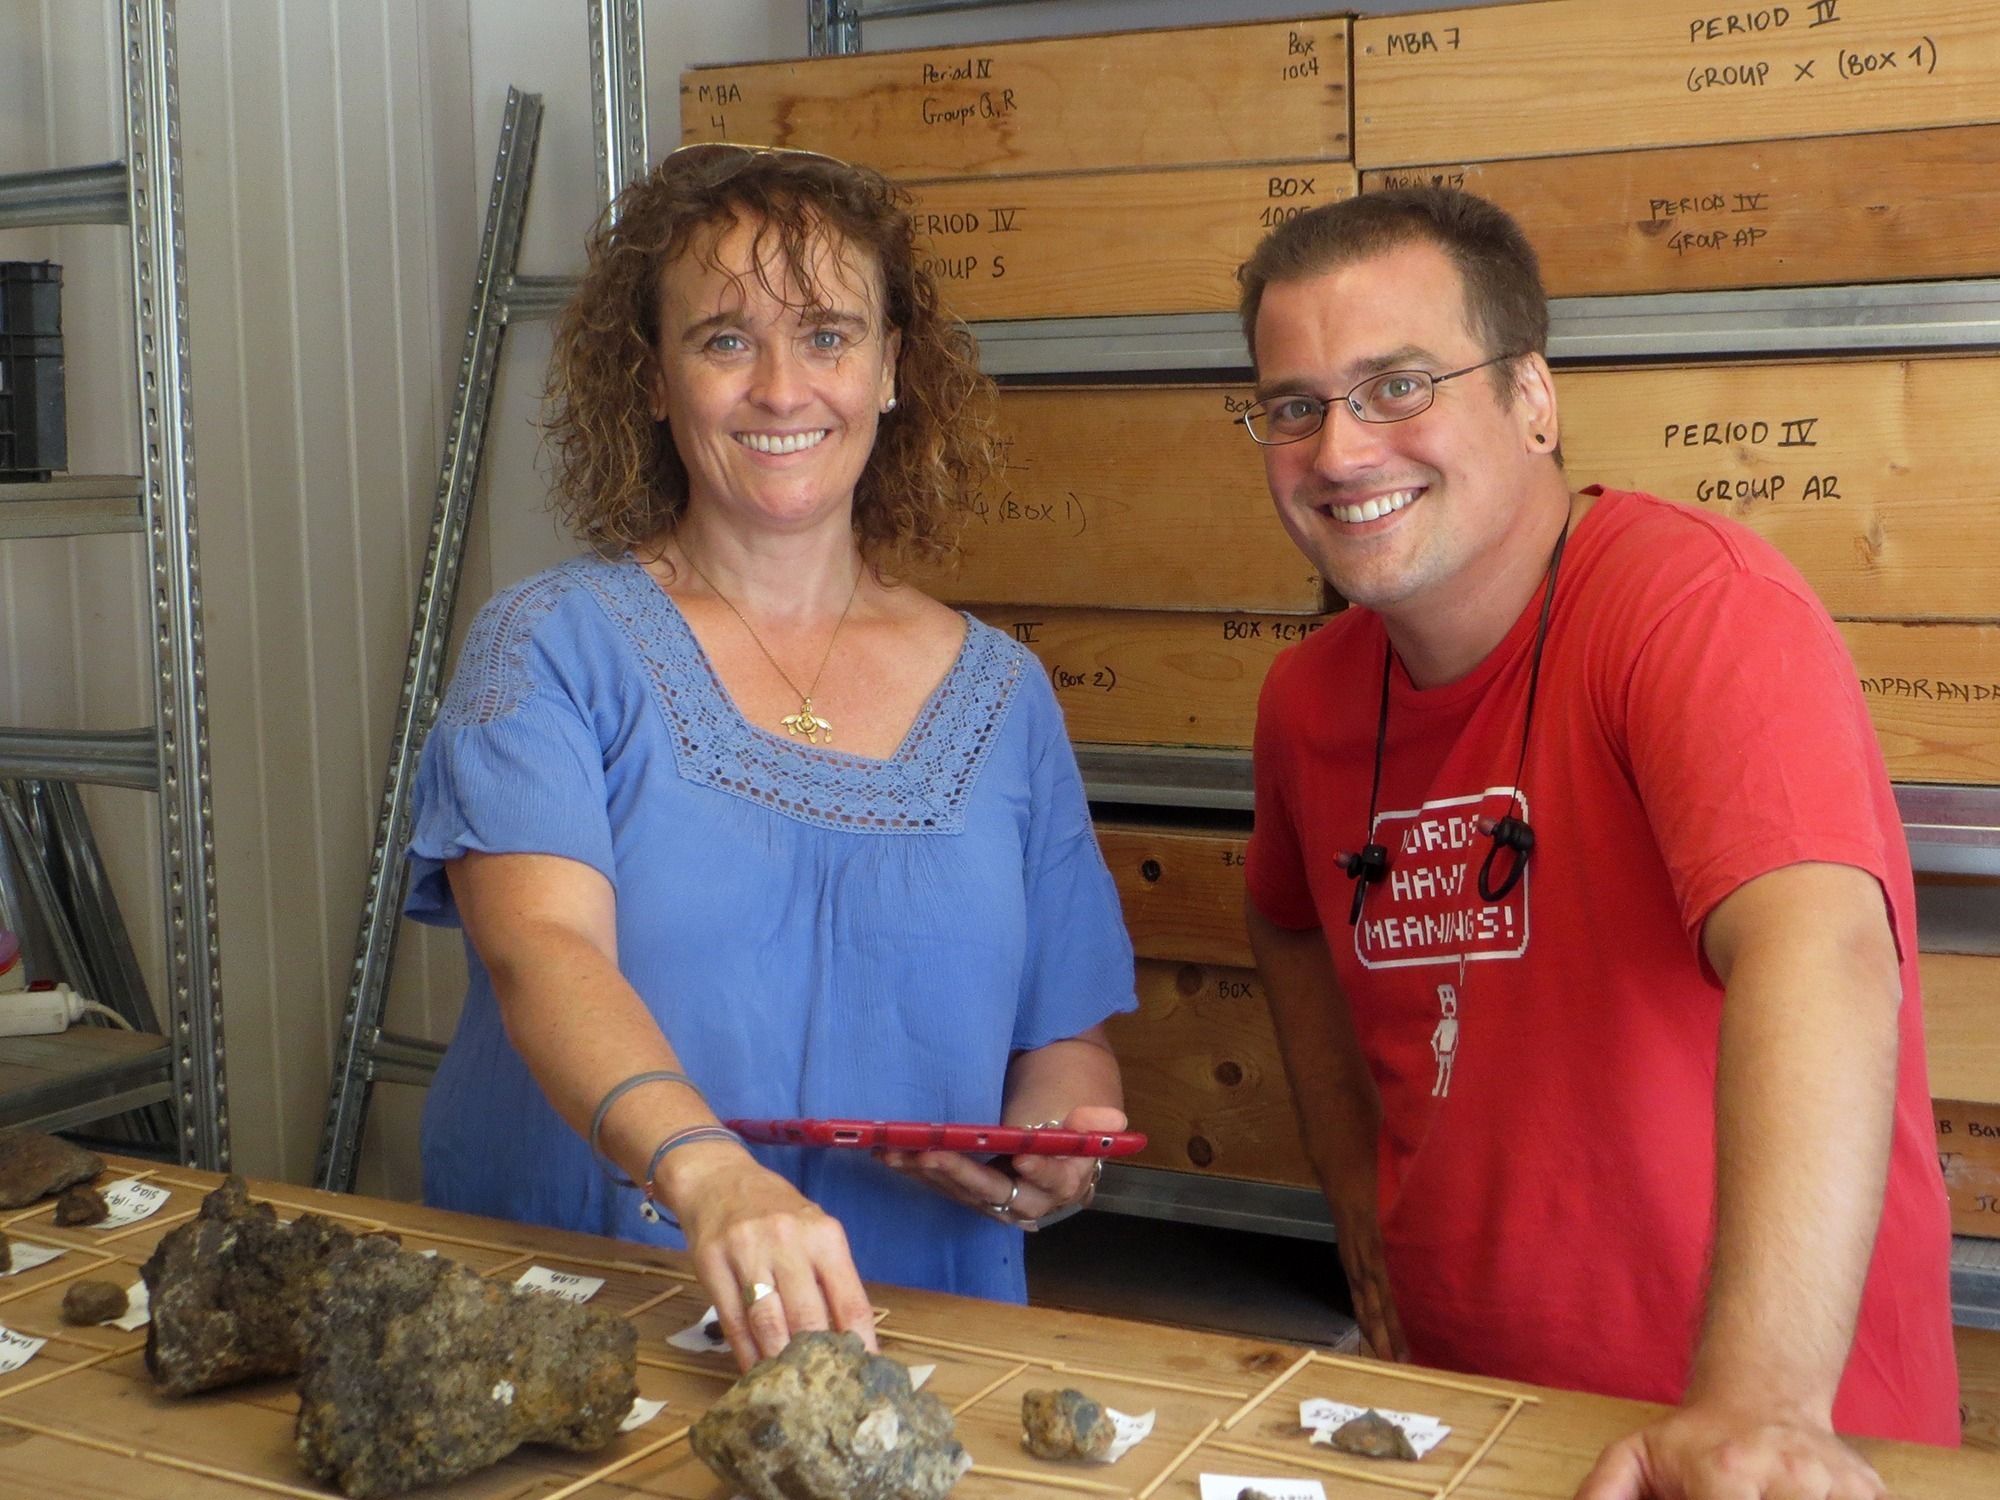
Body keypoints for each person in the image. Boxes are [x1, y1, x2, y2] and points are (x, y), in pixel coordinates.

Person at [1234, 188, 1958, 1497]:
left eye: (1398, 385)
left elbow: (1823, 946)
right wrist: (1357, 1198)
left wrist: (1759, 1405)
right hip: (1475, 1430)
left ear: (1532, 400)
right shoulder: (1307, 702)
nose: (1338, 450)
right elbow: (1284, 922)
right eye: (1294, 406)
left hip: (1774, 1453)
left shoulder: (1689, 608)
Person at [404, 142, 1135, 1371]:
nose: (782, 388)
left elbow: (1060, 1038)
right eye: (726, 340)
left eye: (829, 335)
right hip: (586, 1324)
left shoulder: (1002, 696)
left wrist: (1044, 1148)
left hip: (915, 1328)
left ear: (893, 368)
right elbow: (542, 952)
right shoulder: (550, 645)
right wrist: (707, 1172)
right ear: (652, 379)